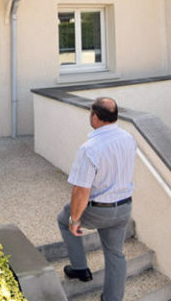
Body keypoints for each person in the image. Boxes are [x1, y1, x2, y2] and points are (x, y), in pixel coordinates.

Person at [57, 96, 136, 301]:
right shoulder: (128, 138)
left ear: (96, 116)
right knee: (115, 254)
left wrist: (75, 220)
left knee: (63, 219)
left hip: (99, 210)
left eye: (90, 112)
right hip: (124, 208)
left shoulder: (89, 148)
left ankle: (80, 268)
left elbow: (81, 191)